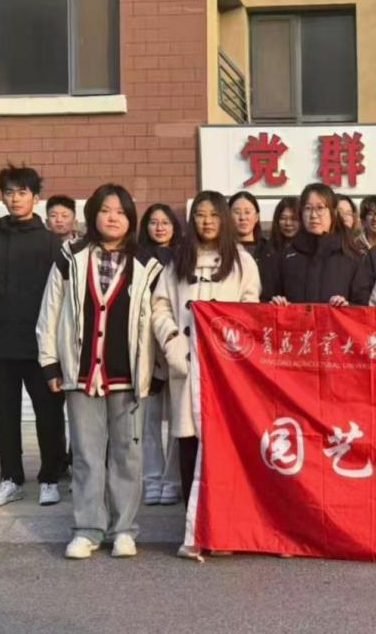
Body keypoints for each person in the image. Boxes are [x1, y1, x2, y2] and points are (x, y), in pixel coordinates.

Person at [37, 184, 162, 559]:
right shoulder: (70, 257)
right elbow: (50, 311)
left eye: (121, 212)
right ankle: (87, 529)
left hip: (128, 376)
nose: (113, 218)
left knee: (128, 456)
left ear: (130, 220)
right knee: (87, 455)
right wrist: (50, 362)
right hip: (81, 373)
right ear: (93, 215)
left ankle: (123, 529)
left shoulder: (147, 264)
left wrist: (156, 369)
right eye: (106, 210)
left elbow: (156, 318)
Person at [151, 190, 261, 558]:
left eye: (214, 215)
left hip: (225, 370)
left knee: (224, 449)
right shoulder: (178, 259)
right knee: (189, 446)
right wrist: (173, 344)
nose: (208, 221)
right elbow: (160, 307)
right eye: (200, 214)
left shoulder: (242, 261)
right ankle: (194, 528)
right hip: (187, 365)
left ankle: (223, 528)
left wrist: (231, 348)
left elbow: (250, 310)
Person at [0, 164, 66, 508]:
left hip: (40, 345)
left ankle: (50, 477)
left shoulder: (51, 243)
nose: (15, 198)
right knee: (6, 416)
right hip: (1, 343)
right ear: (2, 197)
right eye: (9, 192)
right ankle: (11, 478)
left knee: (48, 414)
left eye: (22, 192)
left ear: (36, 198)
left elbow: (60, 296)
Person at [137, 203, 184, 506]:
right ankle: (152, 478)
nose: (159, 227)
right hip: (146, 347)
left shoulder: (184, 257)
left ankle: (172, 480)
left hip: (175, 343)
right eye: (153, 222)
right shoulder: (136, 258)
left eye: (165, 222)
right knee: (148, 420)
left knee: (179, 418)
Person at [272, 183, 363, 306]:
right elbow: (268, 299)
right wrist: (277, 304)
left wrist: (347, 306)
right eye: (308, 208)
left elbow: (363, 305)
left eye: (320, 208)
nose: (313, 215)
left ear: (333, 213)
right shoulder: (286, 257)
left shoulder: (351, 256)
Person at [230, 191, 280, 302]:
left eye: (247, 212)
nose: (242, 217)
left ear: (256, 217)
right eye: (237, 212)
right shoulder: (222, 252)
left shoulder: (271, 252)